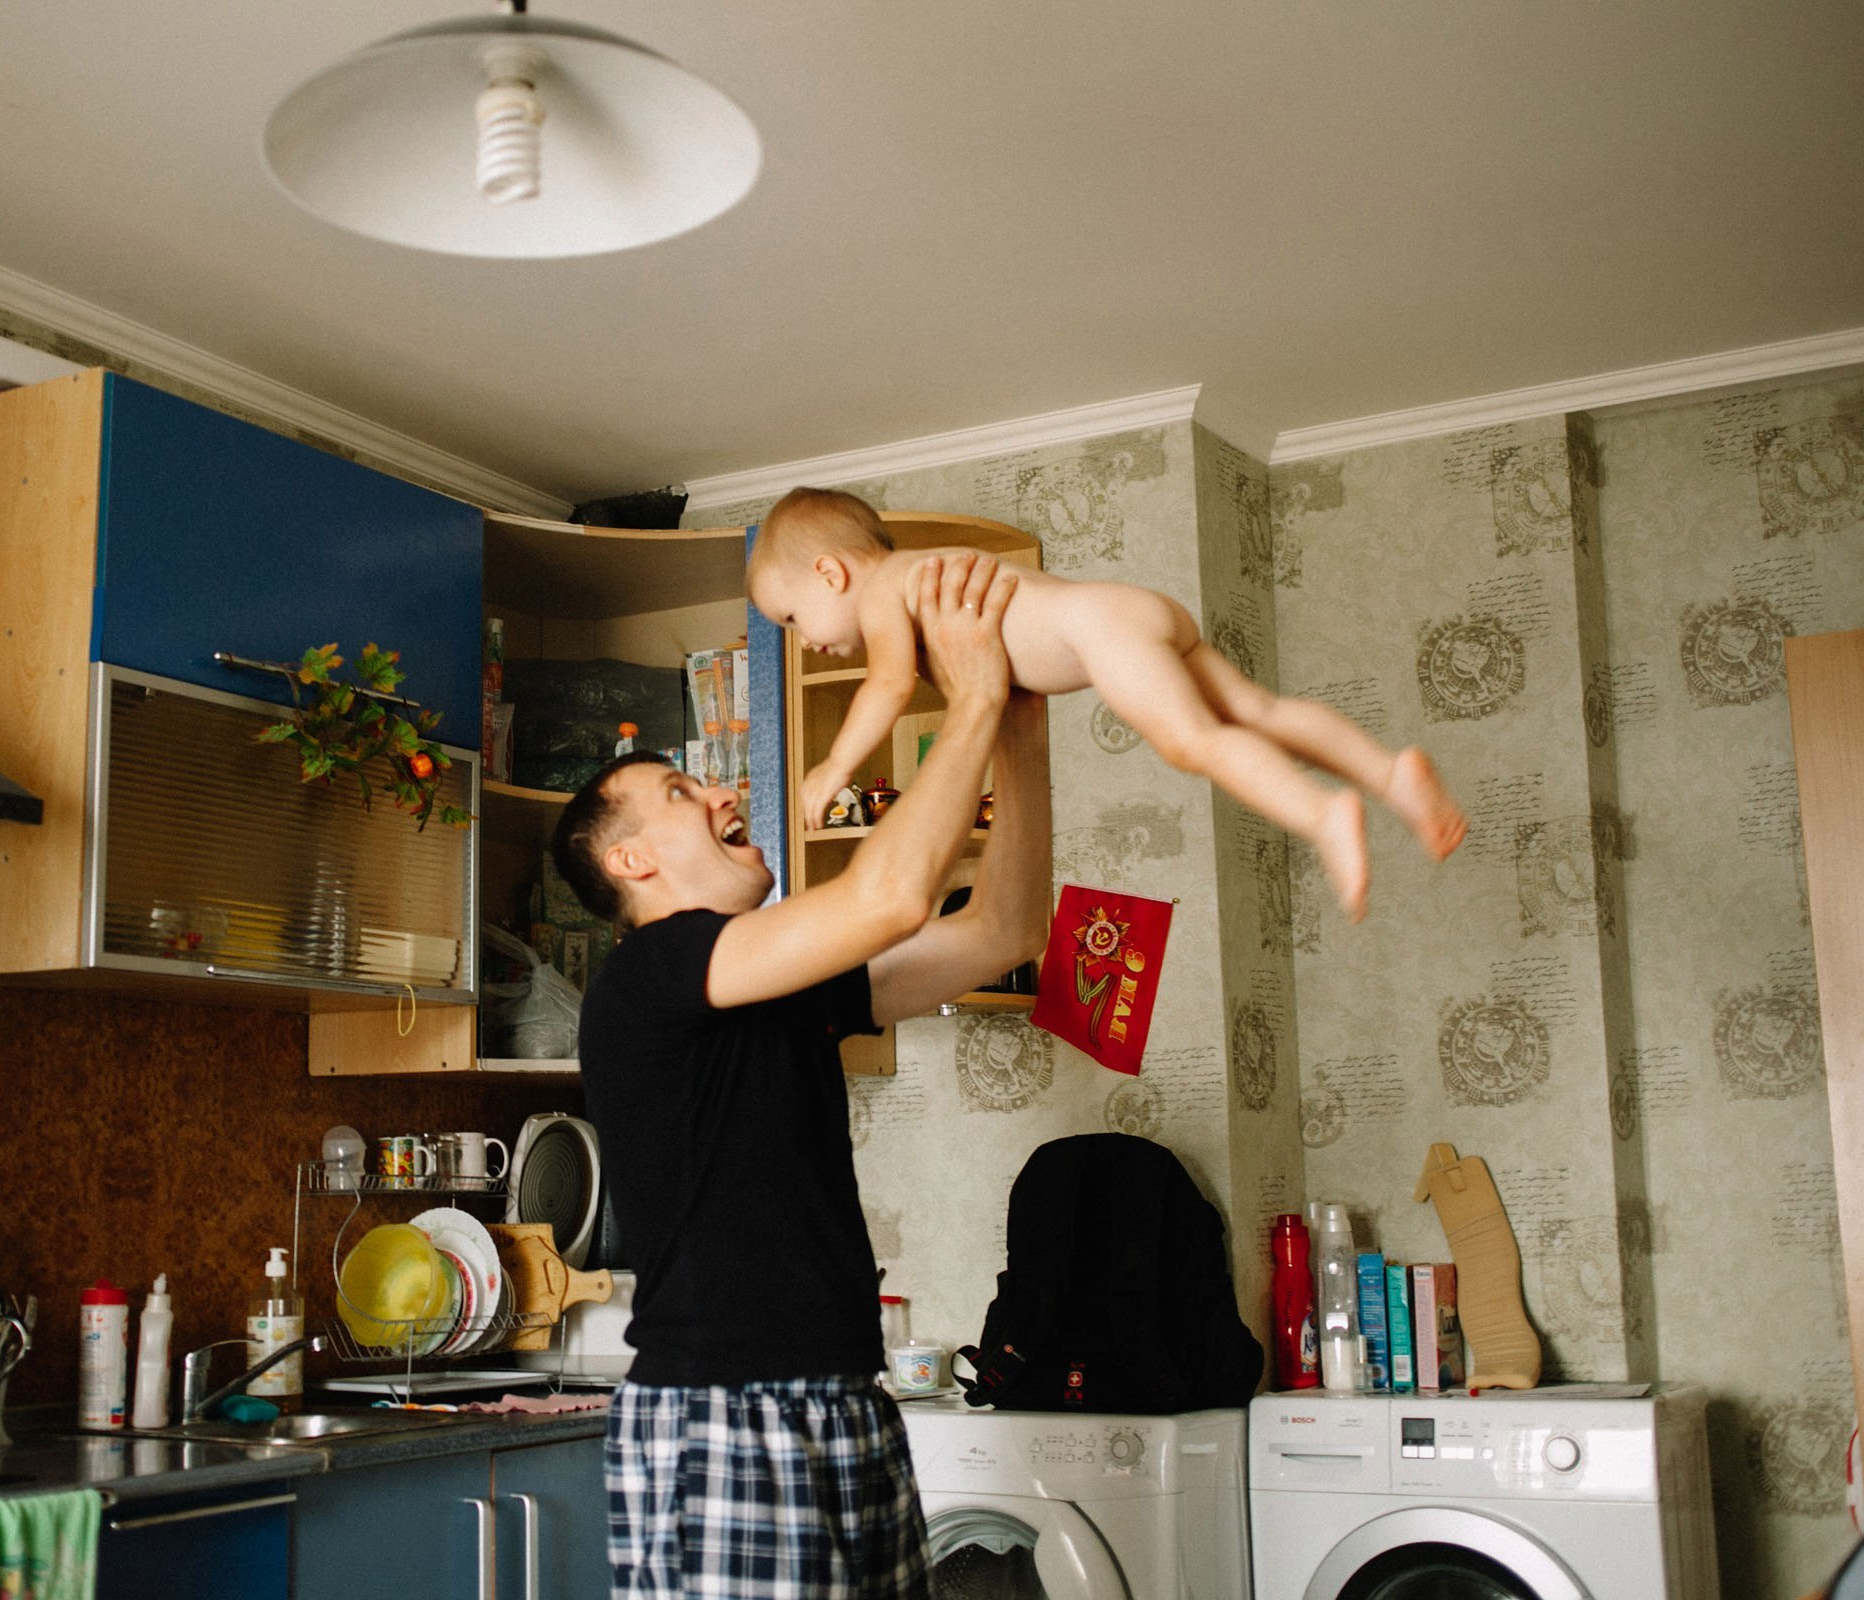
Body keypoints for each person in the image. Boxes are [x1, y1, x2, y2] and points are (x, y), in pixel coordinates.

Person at [551, 552, 1050, 1600]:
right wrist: (972, 693)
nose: (726, 793)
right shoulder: (649, 977)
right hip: (721, 1414)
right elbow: (890, 898)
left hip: (840, 1398)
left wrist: (1019, 729)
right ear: (632, 864)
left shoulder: (773, 984)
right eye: (684, 793)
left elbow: (1004, 928)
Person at [749, 486, 1468, 923]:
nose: (802, 642)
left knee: (1193, 743)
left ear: (830, 572)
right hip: (1130, 611)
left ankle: (1321, 813)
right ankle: (1387, 773)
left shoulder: (884, 592)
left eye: (791, 619)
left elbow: (889, 685)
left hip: (1102, 633)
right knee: (1258, 711)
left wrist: (834, 766)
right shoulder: (916, 578)